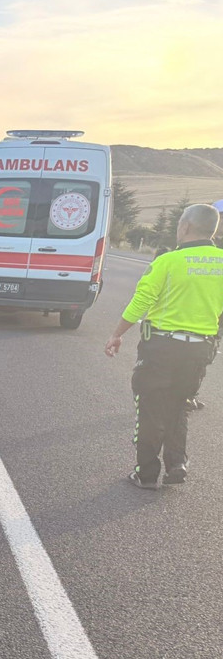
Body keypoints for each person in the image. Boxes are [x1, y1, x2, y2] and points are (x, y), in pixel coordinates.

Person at [104, 203, 223, 489]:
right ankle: (176, 463)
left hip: (161, 348)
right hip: (200, 349)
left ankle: (146, 473)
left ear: (184, 227)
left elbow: (142, 301)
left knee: (149, 407)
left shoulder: (168, 261)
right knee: (179, 404)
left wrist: (117, 334)